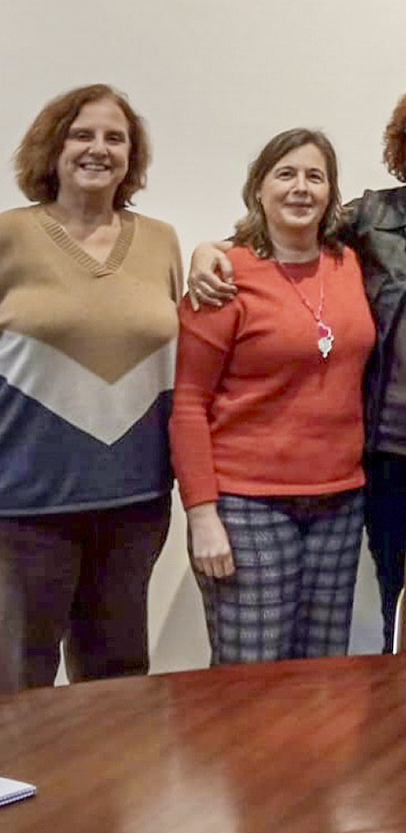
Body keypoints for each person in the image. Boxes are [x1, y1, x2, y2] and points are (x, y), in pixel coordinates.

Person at [187, 82, 406, 649]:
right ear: (402, 148)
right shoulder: (372, 217)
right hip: (393, 458)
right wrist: (211, 251)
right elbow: (285, 232)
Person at [0, 84, 181, 693]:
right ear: (53, 147)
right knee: (18, 685)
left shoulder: (161, 241)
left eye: (115, 138)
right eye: (82, 134)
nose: (98, 148)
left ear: (132, 155)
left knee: (119, 684)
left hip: (136, 501)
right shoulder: (9, 236)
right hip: (25, 507)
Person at [171, 129, 375, 664]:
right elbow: (188, 404)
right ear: (258, 189)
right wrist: (202, 515)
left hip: (339, 501)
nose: (301, 188)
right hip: (247, 504)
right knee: (252, 677)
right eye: (286, 174)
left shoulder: (349, 263)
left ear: (331, 193)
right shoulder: (224, 279)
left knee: (322, 674)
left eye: (315, 176)